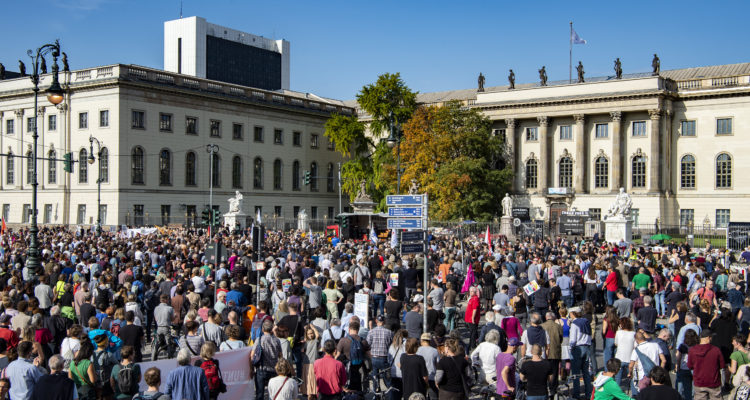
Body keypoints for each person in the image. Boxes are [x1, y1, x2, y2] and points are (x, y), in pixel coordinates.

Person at [688, 329, 725, 400]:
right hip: (714, 382)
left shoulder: (692, 350)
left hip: (699, 382)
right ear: (709, 338)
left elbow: (690, 366)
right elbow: (722, 365)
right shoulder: (716, 350)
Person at [336, 319, 370, 391]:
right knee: (359, 389)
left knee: (348, 389)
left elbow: (337, 356)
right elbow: (369, 355)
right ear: (358, 329)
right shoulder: (363, 341)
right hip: (360, 369)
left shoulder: (343, 340)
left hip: (347, 369)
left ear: (349, 329)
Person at [253, 319, 281, 400]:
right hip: (274, 369)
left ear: (262, 329)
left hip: (262, 369)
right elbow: (280, 355)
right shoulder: (276, 340)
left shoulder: (259, 340)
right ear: (272, 329)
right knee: (273, 394)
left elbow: (252, 355)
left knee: (260, 394)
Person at [569, 310, 593, 399]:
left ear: (573, 314)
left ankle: (577, 394)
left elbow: (573, 340)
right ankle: (588, 393)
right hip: (587, 347)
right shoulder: (586, 322)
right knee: (586, 372)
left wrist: (570, 349)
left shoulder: (574, 324)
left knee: (576, 373)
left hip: (578, 348)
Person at [674, 329, 699, 400]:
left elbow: (678, 358)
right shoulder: (697, 346)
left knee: (685, 389)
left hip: (684, 368)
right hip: (695, 369)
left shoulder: (682, 346)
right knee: (694, 388)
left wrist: (678, 366)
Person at [416, 333, 439, 399]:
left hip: (420, 377)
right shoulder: (435, 351)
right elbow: (438, 365)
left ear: (422, 340)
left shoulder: (417, 350)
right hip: (432, 377)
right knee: (433, 397)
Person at [614, 317, 635, 388]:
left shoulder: (618, 333)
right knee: (632, 378)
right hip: (630, 359)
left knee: (617, 379)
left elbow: (616, 343)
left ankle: (616, 395)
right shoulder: (633, 334)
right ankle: (634, 395)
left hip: (619, 358)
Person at [301, 326, 320, 400]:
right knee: (308, 379)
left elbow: (317, 335)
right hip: (306, 363)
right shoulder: (306, 342)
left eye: (312, 333)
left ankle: (312, 393)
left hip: (313, 363)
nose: (311, 335)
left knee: (312, 379)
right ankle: (310, 394)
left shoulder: (315, 341)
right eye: (309, 334)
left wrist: (313, 327)